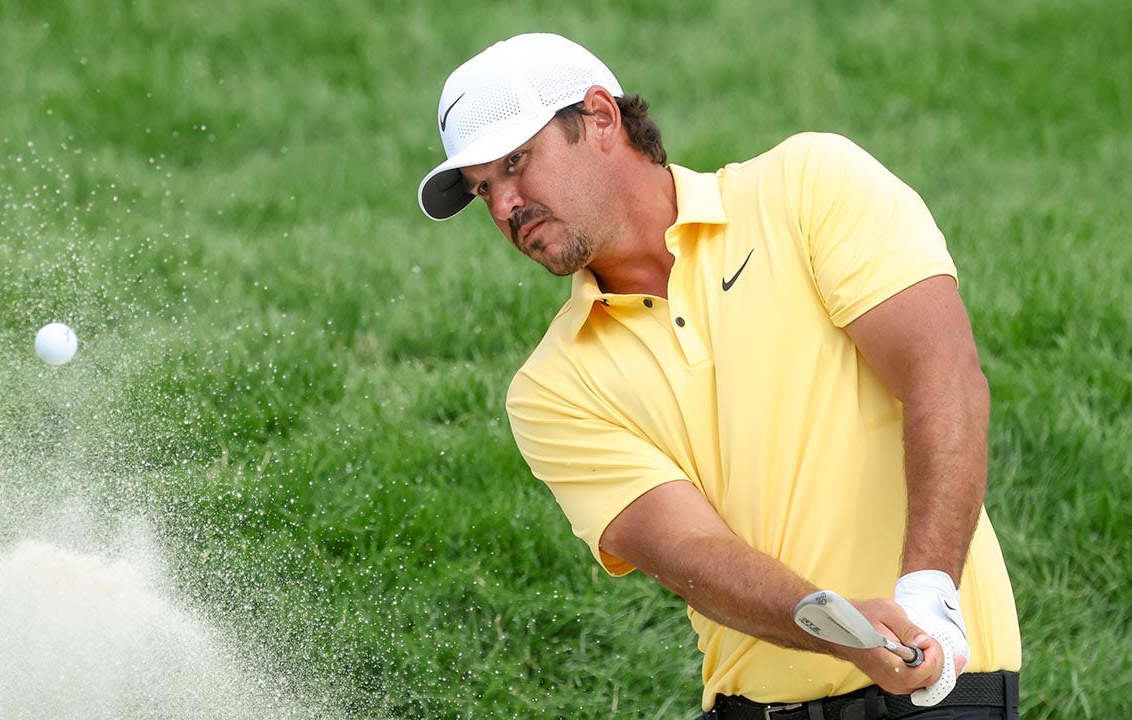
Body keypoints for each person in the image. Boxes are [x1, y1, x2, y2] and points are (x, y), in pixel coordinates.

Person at [417, 33, 1021, 720]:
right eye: (483, 189)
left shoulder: (805, 186)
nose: (504, 206)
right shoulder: (551, 388)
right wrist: (846, 631)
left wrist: (928, 596)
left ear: (601, 118)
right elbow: (689, 551)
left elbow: (941, 373)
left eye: (516, 163)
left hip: (942, 689)